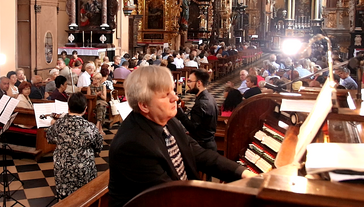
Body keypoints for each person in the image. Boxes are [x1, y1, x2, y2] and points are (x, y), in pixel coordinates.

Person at [108, 66, 255, 207]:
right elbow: (169, 196)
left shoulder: (169, 120)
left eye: (172, 90)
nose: (175, 98)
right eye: (166, 95)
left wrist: (242, 173)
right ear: (144, 106)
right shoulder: (133, 146)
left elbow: (198, 153)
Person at [46, 92, 103, 199]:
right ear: (85, 109)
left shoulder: (58, 124)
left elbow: (49, 138)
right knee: (85, 197)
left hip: (63, 168)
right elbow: (99, 146)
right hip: (83, 168)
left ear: (68, 107)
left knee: (66, 199)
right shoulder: (89, 127)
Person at [176, 69, 218, 158]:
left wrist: (180, 113)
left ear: (199, 83)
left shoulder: (201, 103)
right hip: (210, 142)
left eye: (190, 81)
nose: (187, 84)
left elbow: (193, 128)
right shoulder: (210, 97)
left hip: (202, 146)